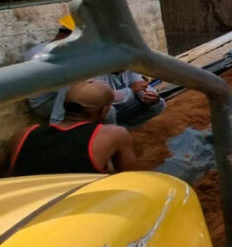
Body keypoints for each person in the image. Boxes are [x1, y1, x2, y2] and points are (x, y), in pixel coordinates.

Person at [8, 80, 138, 176]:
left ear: (64, 105)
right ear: (104, 111)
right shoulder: (112, 135)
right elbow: (130, 177)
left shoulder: (24, 134)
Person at [25, 15, 75, 120]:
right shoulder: (41, 55)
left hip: (56, 96)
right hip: (45, 103)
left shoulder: (59, 49)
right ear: (64, 35)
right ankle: (57, 122)